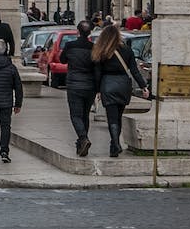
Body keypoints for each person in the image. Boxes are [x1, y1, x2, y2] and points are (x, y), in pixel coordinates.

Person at [92, 25, 149, 158]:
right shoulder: (127, 50)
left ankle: (115, 144)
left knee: (111, 117)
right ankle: (114, 144)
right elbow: (134, 70)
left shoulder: (101, 51)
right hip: (123, 85)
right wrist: (143, 86)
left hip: (108, 84)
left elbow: (97, 73)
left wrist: (97, 90)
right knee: (118, 116)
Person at [61, 20, 98, 156]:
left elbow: (62, 60)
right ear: (90, 33)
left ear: (78, 31)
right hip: (89, 85)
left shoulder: (70, 46)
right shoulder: (93, 47)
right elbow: (97, 67)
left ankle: (83, 138)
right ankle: (82, 143)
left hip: (74, 84)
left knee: (75, 115)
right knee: (85, 115)